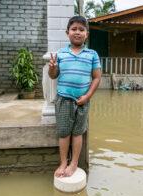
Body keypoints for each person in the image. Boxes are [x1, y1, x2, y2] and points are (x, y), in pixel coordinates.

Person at [48, 16, 101, 178]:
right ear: (67, 32)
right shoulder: (61, 54)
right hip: (63, 99)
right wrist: (52, 68)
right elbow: (53, 76)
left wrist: (87, 96)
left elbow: (97, 78)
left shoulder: (92, 54)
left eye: (81, 29)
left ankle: (74, 163)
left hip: (82, 101)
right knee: (64, 133)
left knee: (78, 133)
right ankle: (63, 162)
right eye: (74, 29)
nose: (77, 32)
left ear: (87, 34)